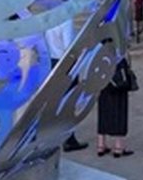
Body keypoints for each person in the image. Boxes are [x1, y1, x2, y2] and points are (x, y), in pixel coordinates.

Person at [46, 17, 88, 152]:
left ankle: (55, 135)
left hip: (52, 62)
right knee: (69, 100)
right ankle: (68, 138)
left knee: (56, 101)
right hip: (65, 63)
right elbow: (69, 47)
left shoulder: (49, 20)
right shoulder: (65, 21)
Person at [96, 58, 134, 158]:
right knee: (119, 105)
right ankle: (118, 145)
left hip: (101, 66)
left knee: (103, 106)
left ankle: (101, 144)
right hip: (117, 67)